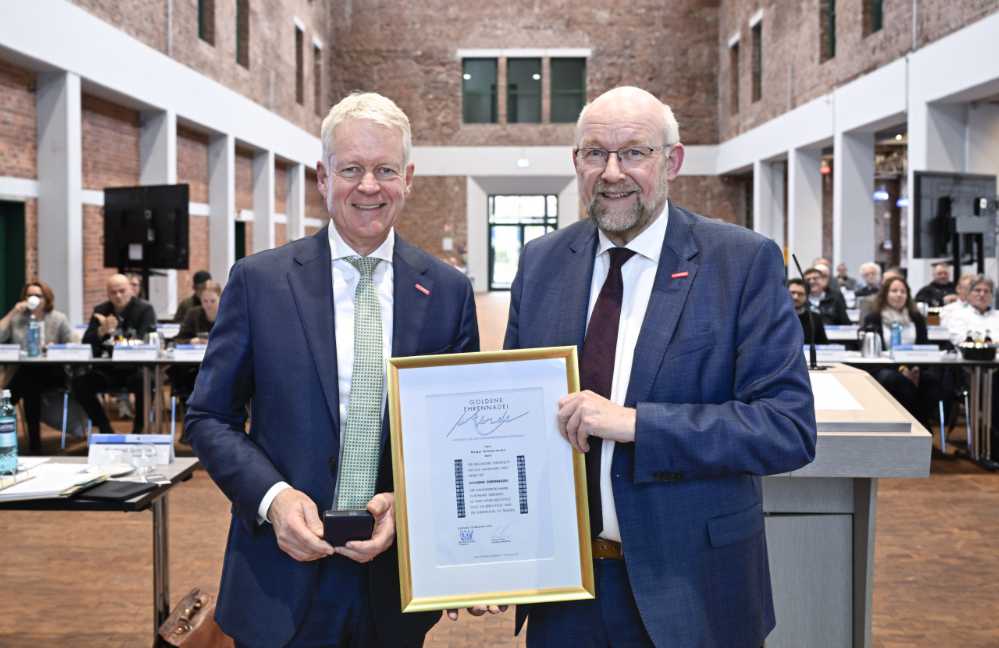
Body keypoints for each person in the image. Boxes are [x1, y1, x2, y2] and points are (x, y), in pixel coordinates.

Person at [504, 86, 817, 648]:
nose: (612, 172)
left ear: (672, 162)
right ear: (576, 162)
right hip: (564, 592)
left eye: (634, 153)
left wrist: (637, 424)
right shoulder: (541, 262)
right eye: (595, 153)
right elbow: (513, 420)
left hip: (694, 590)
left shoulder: (740, 262)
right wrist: (489, 550)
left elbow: (786, 428)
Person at [186, 92, 483, 647]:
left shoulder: (447, 293)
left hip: (393, 582)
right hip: (280, 575)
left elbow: (460, 437)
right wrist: (273, 498)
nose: (368, 186)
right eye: (351, 169)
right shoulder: (259, 282)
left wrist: (408, 505)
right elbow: (208, 418)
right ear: (323, 178)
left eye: (385, 170)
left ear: (407, 179)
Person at [71, 274, 157, 435]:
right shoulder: (101, 310)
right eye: (113, 292)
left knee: (146, 381)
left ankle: (138, 429)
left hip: (135, 368)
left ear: (131, 290)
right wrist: (101, 330)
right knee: (79, 384)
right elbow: (87, 343)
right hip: (107, 368)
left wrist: (116, 335)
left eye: (122, 291)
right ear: (108, 293)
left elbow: (144, 340)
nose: (118, 296)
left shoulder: (145, 309)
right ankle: (104, 428)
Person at [0, 281, 72, 452]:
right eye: (29, 295)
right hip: (24, 372)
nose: (33, 299)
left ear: (46, 299)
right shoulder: (18, 318)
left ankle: (7, 406)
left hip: (53, 371)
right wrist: (12, 312)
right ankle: (34, 445)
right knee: (30, 383)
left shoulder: (58, 318)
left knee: (25, 383)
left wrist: (55, 347)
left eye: (38, 295)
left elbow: (72, 346)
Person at [862, 277, 941, 425]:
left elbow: (923, 346)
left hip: (915, 366)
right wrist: (902, 369)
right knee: (897, 381)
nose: (899, 295)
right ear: (885, 294)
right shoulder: (874, 318)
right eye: (894, 291)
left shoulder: (916, 318)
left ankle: (920, 426)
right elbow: (872, 353)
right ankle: (920, 426)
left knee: (932, 382)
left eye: (903, 291)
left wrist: (916, 369)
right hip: (884, 367)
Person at [169, 280, 222, 419]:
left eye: (212, 301)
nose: (208, 305)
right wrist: (191, 341)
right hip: (192, 366)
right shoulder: (193, 314)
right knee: (182, 376)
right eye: (205, 301)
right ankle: (190, 418)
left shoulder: (227, 315)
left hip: (219, 366)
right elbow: (178, 339)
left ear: (220, 299)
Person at [788, 278, 828, 344]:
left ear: (807, 296)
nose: (796, 297)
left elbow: (823, 345)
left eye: (800, 294)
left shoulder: (815, 319)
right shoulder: (777, 317)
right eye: (792, 293)